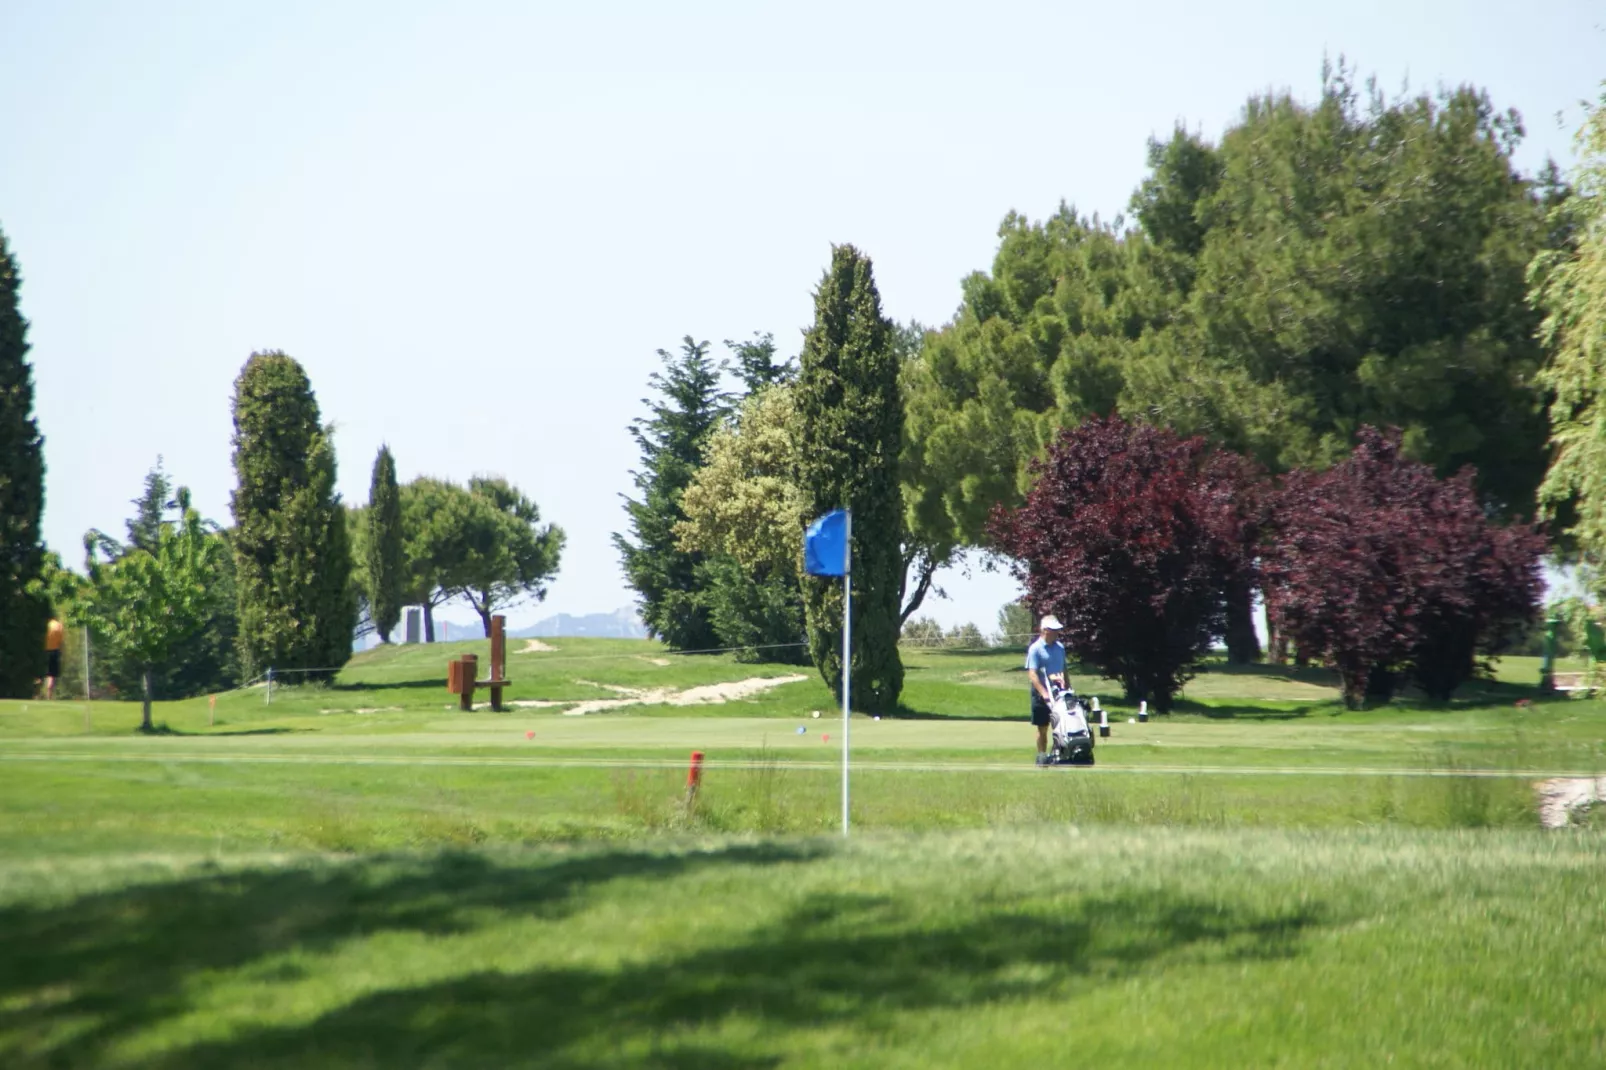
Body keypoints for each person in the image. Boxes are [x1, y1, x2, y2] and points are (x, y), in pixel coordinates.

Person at [1026, 614, 1066, 765]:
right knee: (1043, 728)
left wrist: (1068, 688)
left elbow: (1064, 669)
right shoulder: (1035, 649)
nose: (1056, 633)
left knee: (1062, 727)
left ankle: (1059, 754)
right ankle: (1042, 756)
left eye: (1057, 630)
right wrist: (1044, 693)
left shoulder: (1060, 648)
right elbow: (1033, 674)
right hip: (1041, 694)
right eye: (1053, 630)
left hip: (1059, 693)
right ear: (1044, 630)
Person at [44, 616, 64, 700]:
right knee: (51, 675)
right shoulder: (59, 626)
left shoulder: (46, 625)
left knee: (44, 673)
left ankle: (38, 693)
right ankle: (49, 695)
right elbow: (61, 641)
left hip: (45, 651)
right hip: (54, 651)